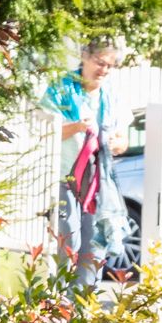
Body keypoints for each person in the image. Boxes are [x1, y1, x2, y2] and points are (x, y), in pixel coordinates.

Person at [45, 36, 121, 281]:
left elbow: (122, 139)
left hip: (98, 184)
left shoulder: (111, 96)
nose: (104, 70)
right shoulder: (60, 88)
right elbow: (45, 131)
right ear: (85, 58)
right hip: (65, 176)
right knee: (69, 238)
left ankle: (86, 306)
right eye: (100, 62)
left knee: (95, 243)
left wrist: (117, 144)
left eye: (110, 65)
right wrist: (77, 127)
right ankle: (59, 303)